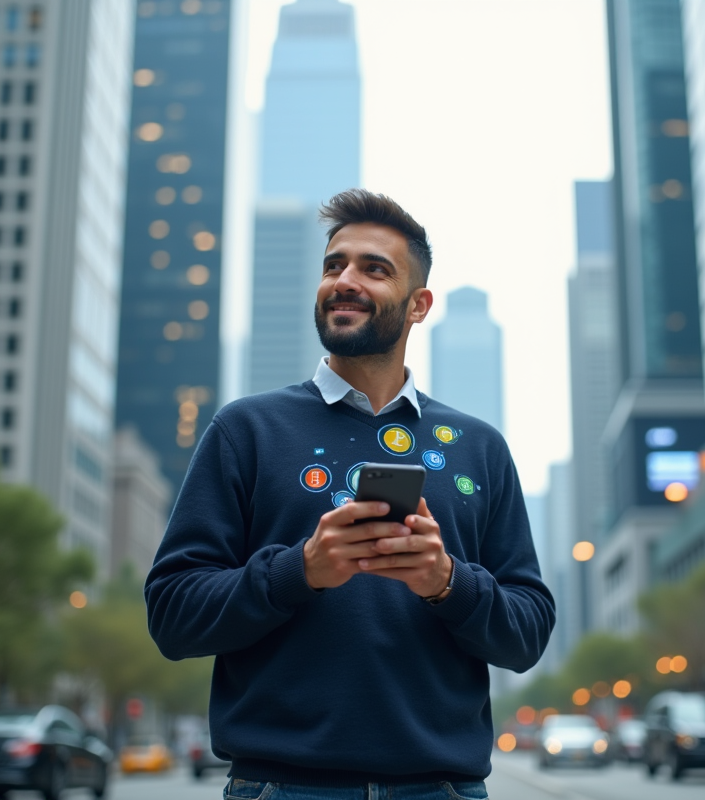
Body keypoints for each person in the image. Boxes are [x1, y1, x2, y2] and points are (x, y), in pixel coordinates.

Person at [145, 189, 555, 800]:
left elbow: (527, 636)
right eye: (334, 265)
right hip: (279, 788)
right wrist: (300, 570)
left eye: (374, 269)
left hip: (440, 789)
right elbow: (173, 617)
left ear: (419, 305)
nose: (345, 280)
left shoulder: (480, 448)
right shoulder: (247, 430)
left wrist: (446, 582)